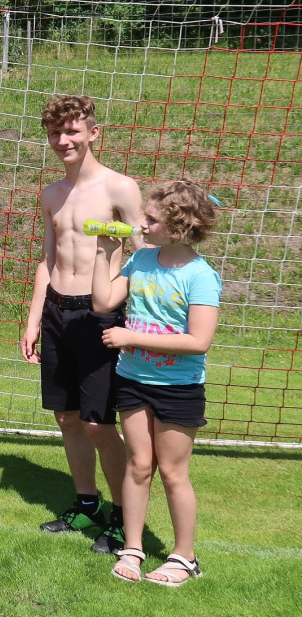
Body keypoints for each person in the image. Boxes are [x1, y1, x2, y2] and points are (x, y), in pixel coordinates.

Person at [20, 93, 144, 553]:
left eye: (72, 131)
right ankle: (87, 503)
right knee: (67, 417)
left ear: (93, 133)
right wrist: (34, 320)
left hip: (100, 315)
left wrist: (128, 315)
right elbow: (48, 259)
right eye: (55, 133)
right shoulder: (51, 194)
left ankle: (122, 517)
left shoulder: (120, 188)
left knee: (99, 424)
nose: (63, 140)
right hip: (57, 311)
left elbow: (143, 258)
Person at [91, 181, 220, 586]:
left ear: (178, 227)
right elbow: (102, 302)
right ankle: (132, 548)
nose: (141, 225)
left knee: (173, 472)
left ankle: (185, 557)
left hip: (178, 388)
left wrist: (131, 337)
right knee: (139, 464)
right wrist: (104, 253)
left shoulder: (201, 276)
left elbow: (198, 341)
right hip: (133, 380)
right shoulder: (142, 260)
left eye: (151, 219)